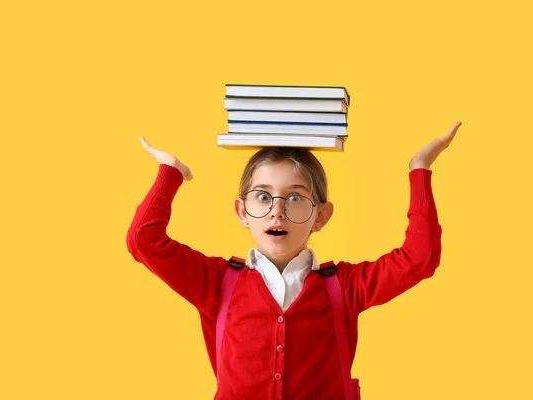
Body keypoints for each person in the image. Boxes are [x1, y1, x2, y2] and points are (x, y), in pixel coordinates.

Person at [126, 121, 461, 399]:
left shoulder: (345, 287)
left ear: (321, 216)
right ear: (242, 212)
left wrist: (420, 169)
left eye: (296, 197)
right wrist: (170, 172)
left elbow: (421, 257)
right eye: (262, 196)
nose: (277, 210)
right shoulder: (215, 282)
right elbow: (143, 240)